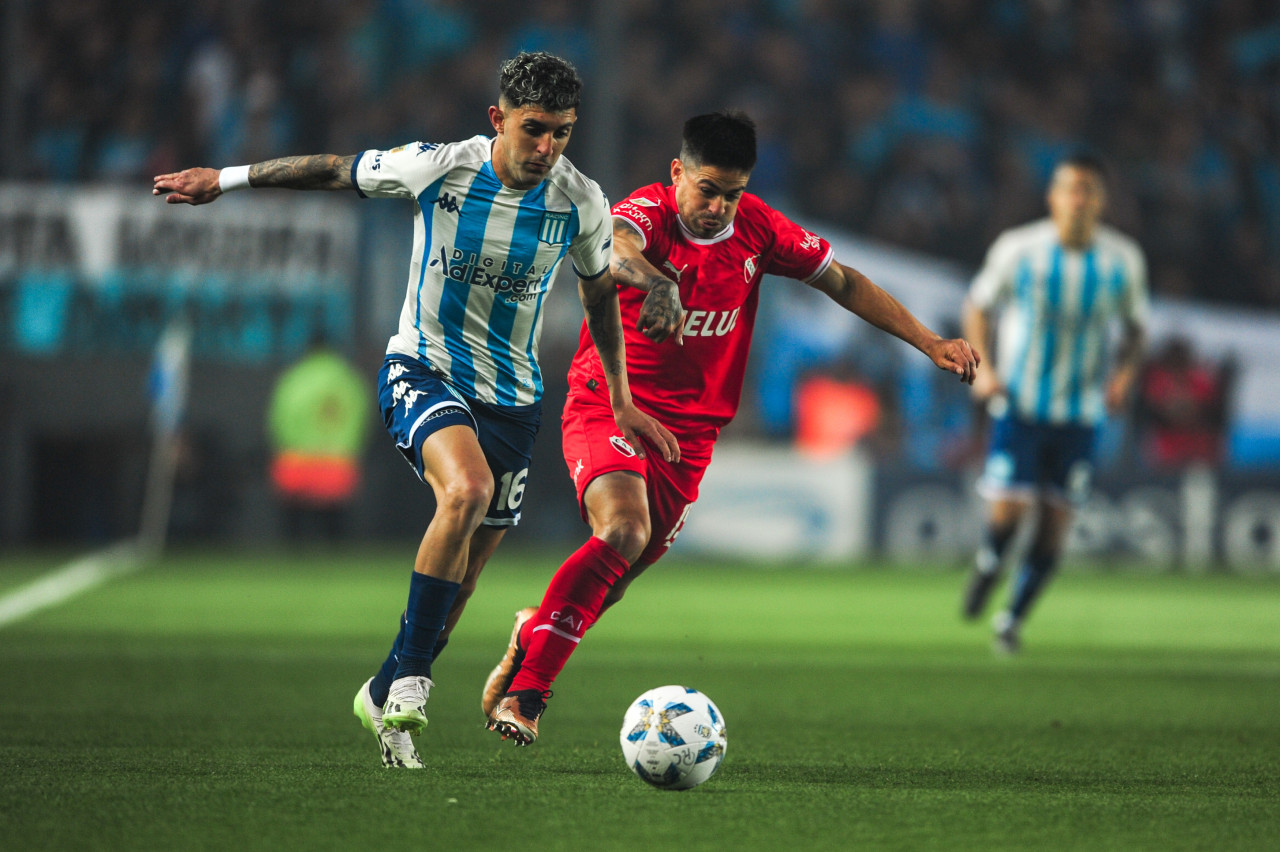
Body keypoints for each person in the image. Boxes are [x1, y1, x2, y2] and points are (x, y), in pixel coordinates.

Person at [152, 52, 677, 768]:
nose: (546, 147)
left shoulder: (579, 200)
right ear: (498, 119)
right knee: (466, 490)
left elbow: (596, 293)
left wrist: (621, 391)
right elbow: (336, 169)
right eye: (533, 130)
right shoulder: (442, 167)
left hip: (514, 402)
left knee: (461, 585)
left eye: (561, 132)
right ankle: (413, 684)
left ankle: (383, 690)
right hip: (424, 368)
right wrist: (227, 179)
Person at [481, 110, 980, 746]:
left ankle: (536, 629)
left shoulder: (759, 230)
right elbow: (616, 248)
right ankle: (527, 698)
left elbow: (845, 282)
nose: (718, 207)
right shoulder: (648, 212)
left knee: (612, 580)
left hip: (690, 438)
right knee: (624, 529)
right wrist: (660, 281)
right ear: (677, 173)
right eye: (708, 189)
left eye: (732, 193)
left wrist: (930, 342)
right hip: (609, 403)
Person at [960, 150, 1149, 653]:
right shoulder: (1020, 249)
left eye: (1089, 190)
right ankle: (989, 563)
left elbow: (1135, 329)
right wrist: (985, 371)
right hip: (1019, 405)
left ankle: (1011, 621)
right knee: (1008, 515)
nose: (1079, 200)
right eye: (1070, 189)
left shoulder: (1122, 260)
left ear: (1102, 201)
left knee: (1055, 528)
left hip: (1082, 413)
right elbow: (978, 305)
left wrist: (1124, 377)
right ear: (1053, 197)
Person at [266, 337, 370, 541]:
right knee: (334, 520)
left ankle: (293, 558)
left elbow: (278, 418)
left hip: (297, 460)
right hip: (337, 461)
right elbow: (361, 417)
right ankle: (336, 558)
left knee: (294, 519)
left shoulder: (294, 377)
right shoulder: (348, 379)